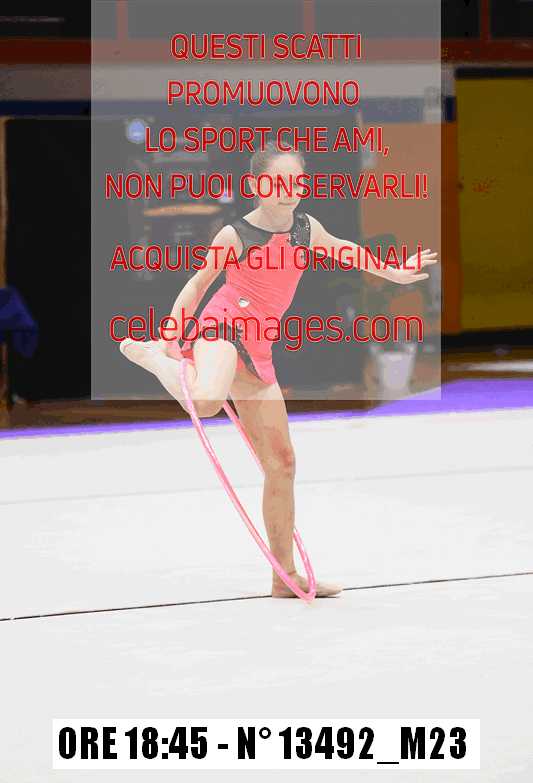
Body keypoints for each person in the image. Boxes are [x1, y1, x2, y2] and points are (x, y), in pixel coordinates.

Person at [119, 140, 437, 599]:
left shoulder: (307, 228)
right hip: (222, 328)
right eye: (278, 181)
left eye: (297, 181)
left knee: (282, 464)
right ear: (256, 185)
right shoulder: (235, 236)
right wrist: (171, 336)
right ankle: (155, 359)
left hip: (258, 348)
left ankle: (284, 577)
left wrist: (393, 272)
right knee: (206, 401)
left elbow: (345, 250)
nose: (289, 190)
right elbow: (197, 285)